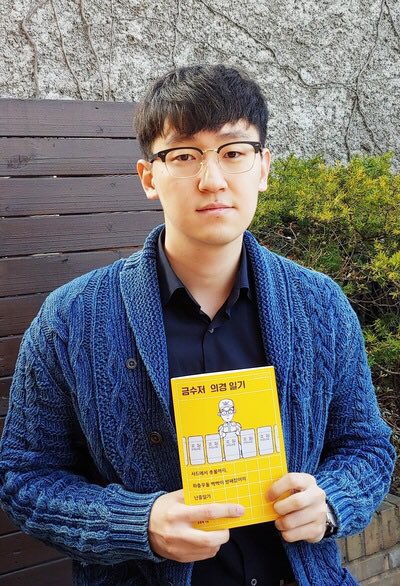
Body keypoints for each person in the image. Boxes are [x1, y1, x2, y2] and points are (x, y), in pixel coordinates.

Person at [0, 64, 395, 586]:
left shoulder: (320, 305)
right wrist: (137, 523)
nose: (212, 180)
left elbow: (367, 447)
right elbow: (25, 476)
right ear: (149, 177)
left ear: (262, 168)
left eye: (233, 152)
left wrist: (330, 502)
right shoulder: (71, 320)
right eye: (185, 156)